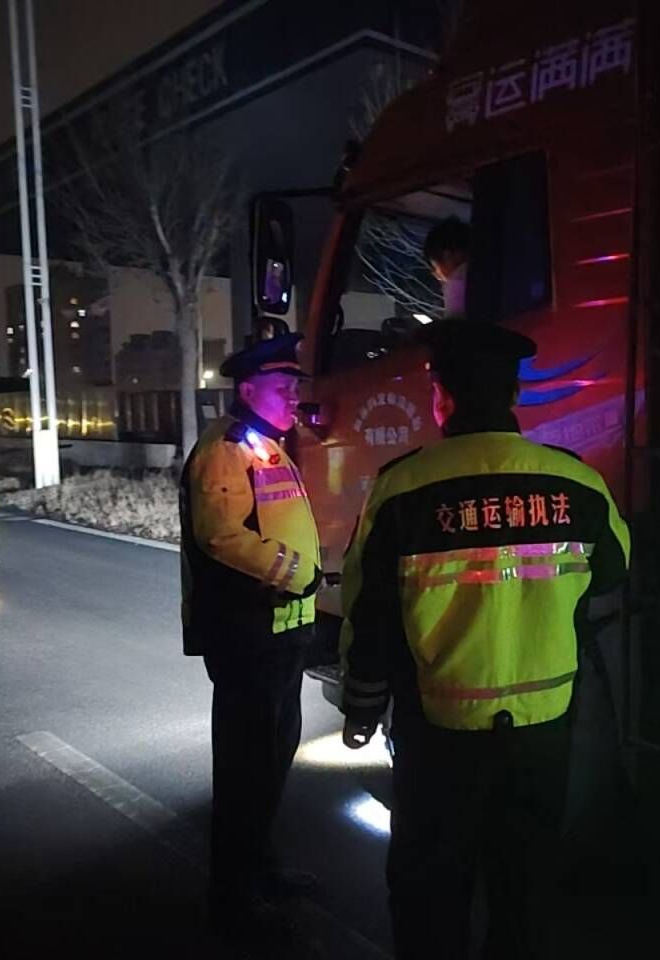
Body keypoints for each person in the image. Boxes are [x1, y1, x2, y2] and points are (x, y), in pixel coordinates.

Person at [339, 318, 631, 959]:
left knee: (430, 888)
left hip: (440, 730)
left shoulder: (402, 487)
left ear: (440, 397)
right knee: (524, 887)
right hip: (544, 729)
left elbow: (370, 610)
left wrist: (362, 706)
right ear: (514, 395)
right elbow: (613, 571)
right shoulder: (577, 482)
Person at [179, 332, 323, 940]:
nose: (293, 395)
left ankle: (260, 868)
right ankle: (232, 899)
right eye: (282, 386)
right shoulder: (228, 449)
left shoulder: (266, 446)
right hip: (249, 636)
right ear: (246, 389)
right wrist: (296, 573)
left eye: (294, 385)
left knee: (268, 765)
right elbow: (221, 535)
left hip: (278, 634)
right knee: (245, 772)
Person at [423, 216, 471, 317]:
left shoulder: (457, 281)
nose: (437, 275)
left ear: (447, 255)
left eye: (435, 267)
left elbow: (454, 324)